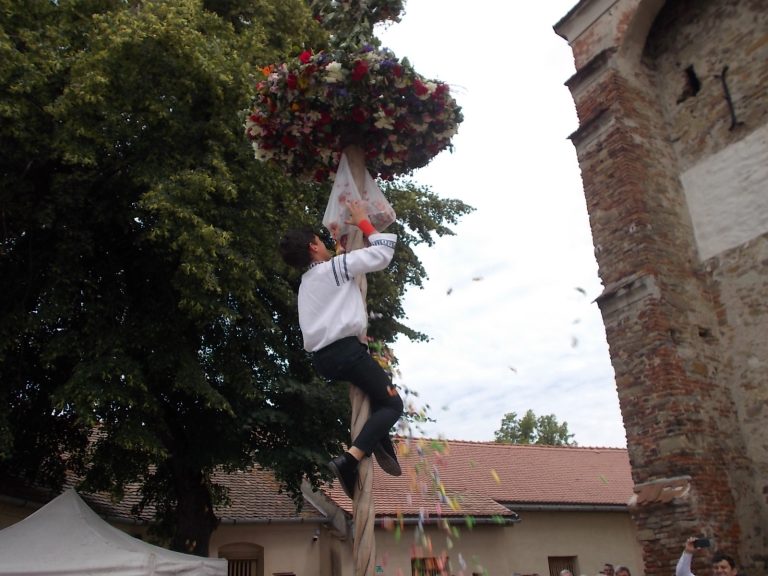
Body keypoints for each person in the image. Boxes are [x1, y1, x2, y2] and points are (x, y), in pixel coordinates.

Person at [279, 199, 404, 499]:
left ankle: (380, 440)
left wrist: (337, 244)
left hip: (325, 359)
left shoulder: (308, 283)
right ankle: (349, 460)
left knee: (377, 398)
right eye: (320, 241)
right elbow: (383, 252)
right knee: (392, 405)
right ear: (312, 246)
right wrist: (363, 221)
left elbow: (339, 274)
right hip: (347, 353)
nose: (324, 245)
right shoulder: (332, 270)